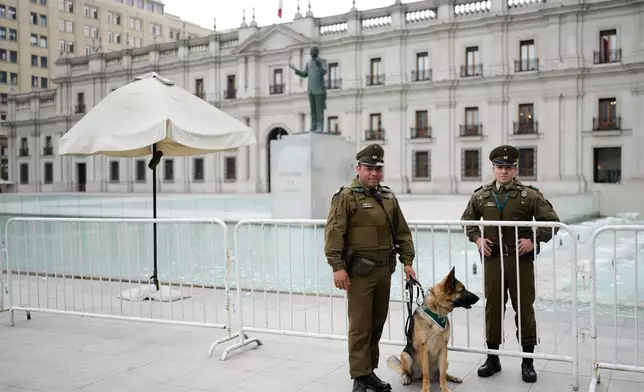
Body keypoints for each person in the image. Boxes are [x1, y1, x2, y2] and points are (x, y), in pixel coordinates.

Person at [460, 144, 560, 383]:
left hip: (520, 260)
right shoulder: (481, 196)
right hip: (493, 260)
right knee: (493, 308)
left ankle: (528, 362)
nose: (503, 171)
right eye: (499, 167)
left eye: (508, 167)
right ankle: (492, 358)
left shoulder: (529, 195)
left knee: (524, 308)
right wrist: (477, 238)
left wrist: (534, 240)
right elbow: (467, 221)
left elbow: (552, 223)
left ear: (515, 169)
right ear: (493, 169)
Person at [324, 143, 417, 392]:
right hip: (359, 273)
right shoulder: (347, 197)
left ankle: (369, 372)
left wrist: (407, 261)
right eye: (369, 168)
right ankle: (359, 376)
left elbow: (403, 233)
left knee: (376, 323)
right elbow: (334, 233)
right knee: (360, 326)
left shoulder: (388, 197)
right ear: (359, 168)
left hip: (384, 271)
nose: (374, 173)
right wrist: (337, 267)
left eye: (378, 169)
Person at [289, 46, 327, 132]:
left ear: (316, 52)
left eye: (312, 51)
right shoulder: (308, 63)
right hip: (311, 90)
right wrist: (296, 70)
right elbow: (305, 74)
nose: (310, 53)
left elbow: (324, 71)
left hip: (319, 89)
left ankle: (320, 127)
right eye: (310, 51)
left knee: (319, 110)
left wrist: (319, 65)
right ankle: (313, 127)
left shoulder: (322, 60)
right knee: (313, 110)